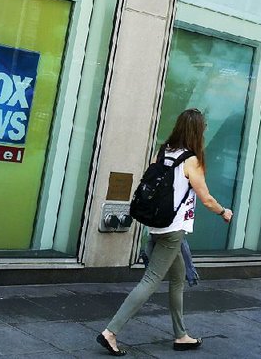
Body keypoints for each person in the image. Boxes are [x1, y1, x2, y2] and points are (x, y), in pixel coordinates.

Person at [97, 109, 233, 355]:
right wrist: (224, 212)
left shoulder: (163, 152)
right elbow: (206, 198)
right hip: (173, 231)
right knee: (150, 281)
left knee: (178, 278)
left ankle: (181, 335)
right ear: (198, 132)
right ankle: (111, 331)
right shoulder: (192, 160)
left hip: (157, 225)